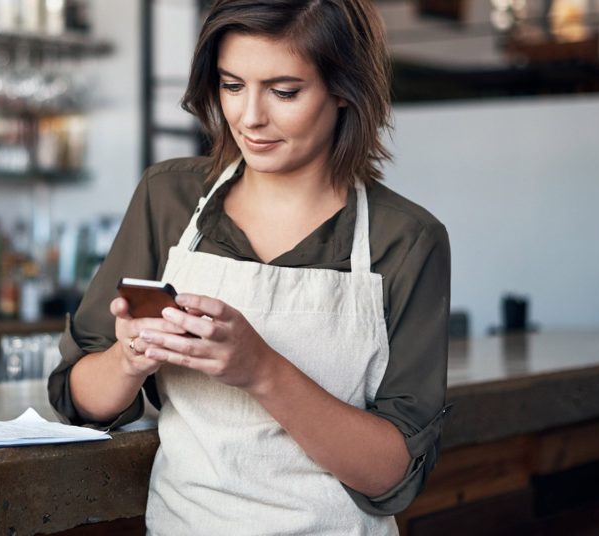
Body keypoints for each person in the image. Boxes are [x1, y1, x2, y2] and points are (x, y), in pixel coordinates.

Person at [49, 0, 451, 533]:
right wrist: (131, 356)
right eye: (232, 85)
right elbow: (79, 402)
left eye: (284, 91)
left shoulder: (406, 239)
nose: (250, 116)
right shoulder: (167, 198)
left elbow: (391, 476)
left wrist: (261, 370)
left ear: (343, 89)